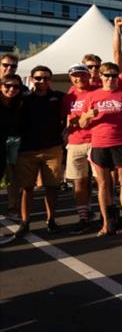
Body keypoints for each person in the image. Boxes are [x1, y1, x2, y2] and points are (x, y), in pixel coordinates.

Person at [80, 62, 122, 236]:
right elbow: (81, 123)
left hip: (121, 143)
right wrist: (88, 115)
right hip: (99, 145)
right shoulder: (92, 96)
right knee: (103, 185)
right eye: (107, 75)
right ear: (100, 76)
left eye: (113, 75)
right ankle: (106, 222)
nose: (110, 78)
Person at [13, 66, 65, 237]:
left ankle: (51, 220)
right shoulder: (23, 98)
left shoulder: (58, 97)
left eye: (46, 78)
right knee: (27, 188)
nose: (42, 81)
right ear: (32, 78)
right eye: (38, 78)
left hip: (53, 149)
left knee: (52, 187)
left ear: (50, 80)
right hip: (27, 150)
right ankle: (25, 222)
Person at [62, 64, 97, 234]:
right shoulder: (69, 96)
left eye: (82, 75)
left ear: (88, 76)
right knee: (79, 182)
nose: (79, 79)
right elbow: (69, 119)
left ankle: (108, 214)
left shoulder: (96, 91)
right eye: (75, 76)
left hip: (95, 141)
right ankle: (84, 217)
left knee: (102, 180)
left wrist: (80, 120)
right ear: (71, 78)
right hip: (75, 142)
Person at [1, 74, 23, 221]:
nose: (11, 89)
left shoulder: (20, 102)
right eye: (7, 86)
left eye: (15, 86)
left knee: (14, 176)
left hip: (16, 141)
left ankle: (12, 207)